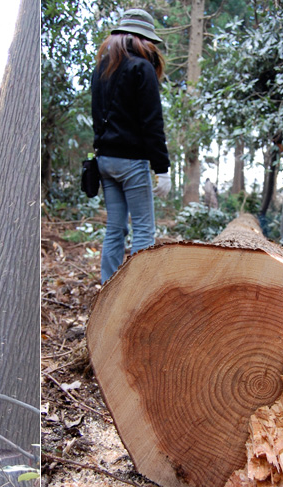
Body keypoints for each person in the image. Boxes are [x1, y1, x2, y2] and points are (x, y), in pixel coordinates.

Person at [92, 8, 170, 283]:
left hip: (105, 161)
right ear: (143, 38)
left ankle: (108, 292)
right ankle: (137, 296)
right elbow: (152, 122)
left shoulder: (102, 67)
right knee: (144, 231)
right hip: (131, 164)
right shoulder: (141, 67)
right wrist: (163, 169)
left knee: (115, 229)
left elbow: (96, 115)